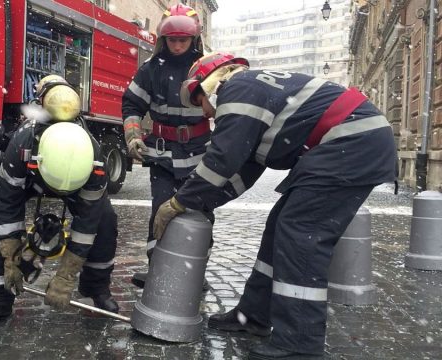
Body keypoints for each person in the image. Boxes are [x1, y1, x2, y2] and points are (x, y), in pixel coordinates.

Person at [154, 52, 397, 359]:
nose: (205, 113)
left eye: (199, 101)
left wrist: (178, 202)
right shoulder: (255, 91)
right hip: (352, 142)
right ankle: (254, 315)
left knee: (301, 234)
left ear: (210, 81)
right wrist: (204, 202)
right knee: (280, 223)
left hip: (351, 143)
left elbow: (222, 159)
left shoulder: (237, 89)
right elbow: (243, 172)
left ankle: (300, 343)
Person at [0, 75, 119, 328]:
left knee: (105, 222)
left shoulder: (93, 157)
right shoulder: (22, 143)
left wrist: (66, 276)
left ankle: (96, 287)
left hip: (77, 183)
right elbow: (8, 203)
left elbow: (87, 223)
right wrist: (10, 257)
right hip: (31, 178)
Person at [121, 3, 211, 290]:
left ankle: (196, 270)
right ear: (163, 39)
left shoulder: (208, 68)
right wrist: (133, 136)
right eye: (172, 39)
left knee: (201, 212)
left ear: (194, 39)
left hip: (198, 152)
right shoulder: (150, 69)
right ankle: (157, 267)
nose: (176, 45)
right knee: (160, 210)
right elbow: (131, 104)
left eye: (182, 40)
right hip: (162, 154)